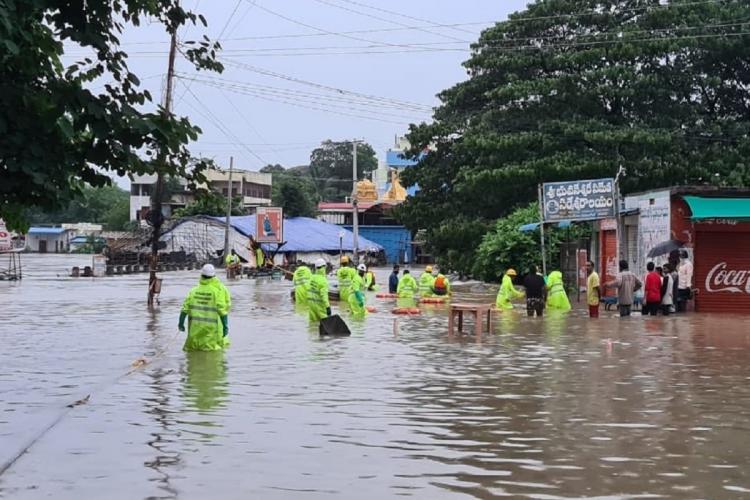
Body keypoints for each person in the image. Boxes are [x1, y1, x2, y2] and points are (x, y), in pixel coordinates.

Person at [178, 264, 229, 351]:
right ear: (214, 276)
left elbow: (184, 309)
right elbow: (222, 310)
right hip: (210, 334)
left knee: (193, 357)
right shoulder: (216, 291)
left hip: (194, 332)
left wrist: (181, 323)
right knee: (213, 357)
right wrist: (225, 326)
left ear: (201, 276)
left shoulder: (193, 291)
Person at [308, 258, 331, 322]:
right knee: (324, 323)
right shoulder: (323, 280)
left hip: (311, 305)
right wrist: (328, 307)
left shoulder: (312, 278)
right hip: (320, 306)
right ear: (324, 267)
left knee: (313, 324)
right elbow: (324, 296)